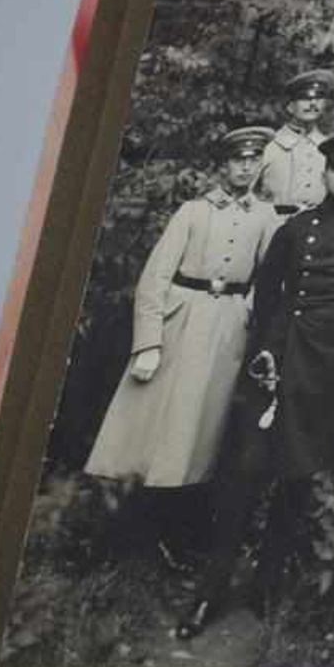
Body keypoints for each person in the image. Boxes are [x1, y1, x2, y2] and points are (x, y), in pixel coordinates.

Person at [177, 131, 334, 638]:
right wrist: (264, 351)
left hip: (329, 362)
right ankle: (209, 591)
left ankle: (266, 586)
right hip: (278, 356)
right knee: (246, 471)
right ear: (324, 173)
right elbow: (268, 289)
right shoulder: (297, 227)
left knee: (298, 477)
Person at [83, 126, 278, 570]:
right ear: (222, 165)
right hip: (180, 323)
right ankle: (121, 537)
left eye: (252, 160)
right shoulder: (192, 212)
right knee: (150, 427)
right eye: (236, 160)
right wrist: (148, 341)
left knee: (200, 431)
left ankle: (178, 535)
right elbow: (154, 279)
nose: (244, 168)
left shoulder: (266, 217)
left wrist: (248, 312)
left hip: (227, 329)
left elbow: (268, 278)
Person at [256, 69, 334, 217]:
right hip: (276, 228)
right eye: (304, 98)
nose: (313, 104)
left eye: (318, 98)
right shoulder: (269, 146)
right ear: (290, 106)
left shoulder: (330, 148)